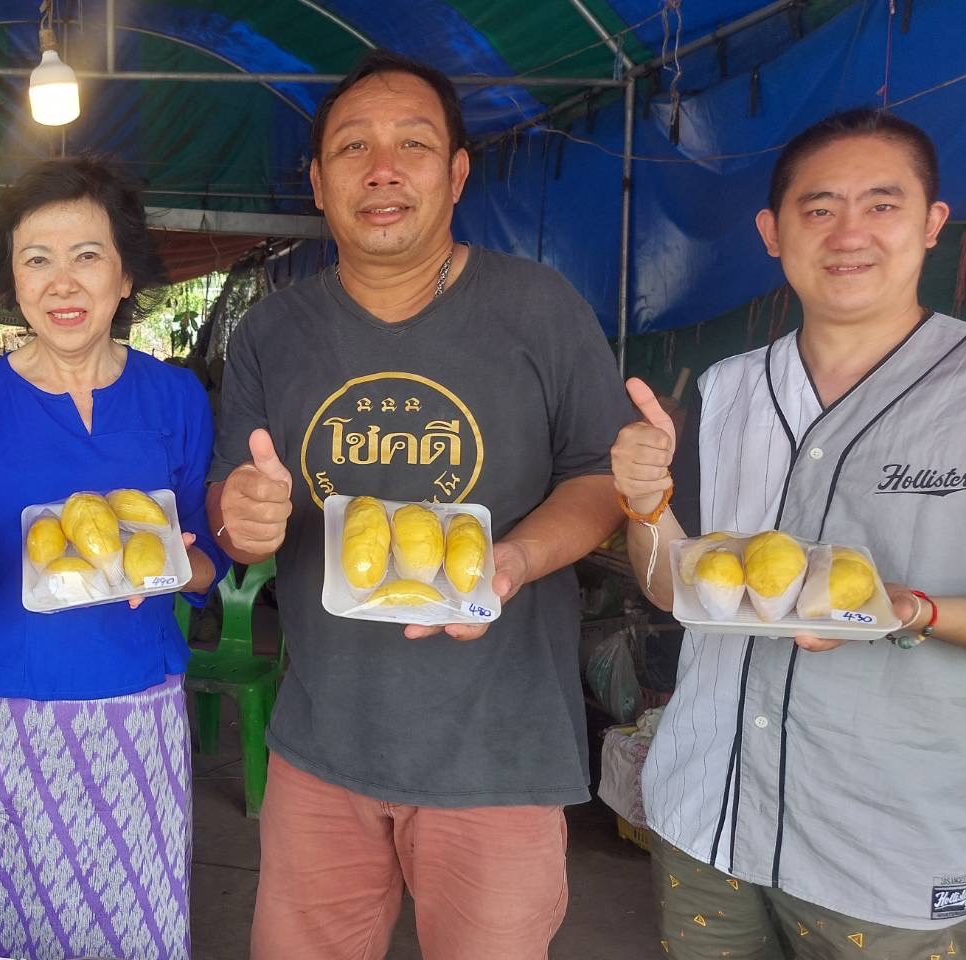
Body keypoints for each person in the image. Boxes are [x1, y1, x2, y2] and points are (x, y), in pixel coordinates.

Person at [209, 51, 629, 959]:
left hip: (499, 754)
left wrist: (513, 561)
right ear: (319, 184)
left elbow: (599, 480)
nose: (383, 169)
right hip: (322, 745)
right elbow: (228, 494)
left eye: (413, 144)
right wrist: (236, 516)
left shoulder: (538, 308)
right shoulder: (274, 329)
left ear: (456, 173)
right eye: (353, 147)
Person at [613, 108, 966, 959]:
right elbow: (673, 588)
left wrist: (909, 610)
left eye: (881, 205)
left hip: (887, 842)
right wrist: (643, 504)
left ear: (930, 223)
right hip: (709, 817)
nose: (847, 232)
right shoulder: (726, 391)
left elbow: (910, 612)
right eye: (818, 208)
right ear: (772, 233)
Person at [0, 156, 228, 960]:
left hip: (140, 709)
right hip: (16, 715)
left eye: (86, 255)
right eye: (35, 259)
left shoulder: (173, 397)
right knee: (18, 932)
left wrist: (186, 570)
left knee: (132, 930)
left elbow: (206, 563)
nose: (61, 282)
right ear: (12, 282)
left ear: (123, 276)